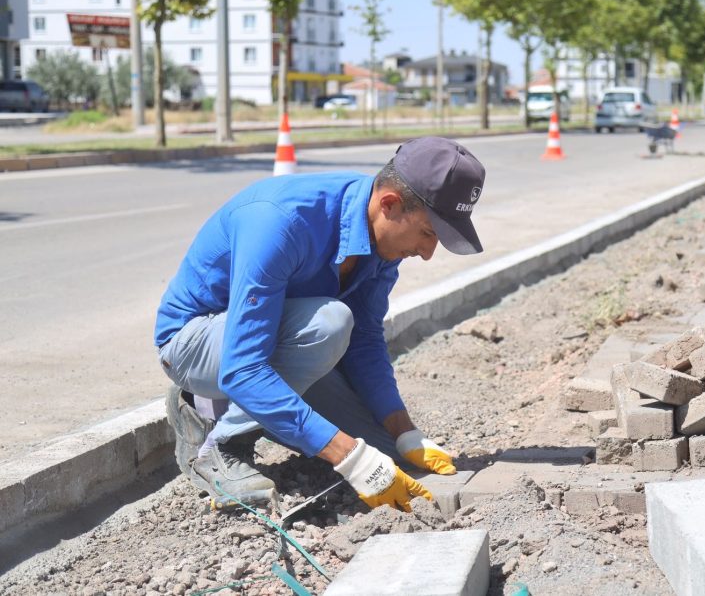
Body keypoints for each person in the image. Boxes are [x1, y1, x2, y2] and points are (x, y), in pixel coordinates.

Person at [154, 136, 486, 512]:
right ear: (389, 204)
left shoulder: (381, 239)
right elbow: (243, 368)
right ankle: (221, 444)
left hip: (280, 345)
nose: (428, 253)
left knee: (384, 451)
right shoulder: (280, 222)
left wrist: (405, 432)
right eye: (429, 234)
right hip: (198, 343)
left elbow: (363, 340)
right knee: (331, 324)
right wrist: (347, 455)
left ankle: (234, 411)